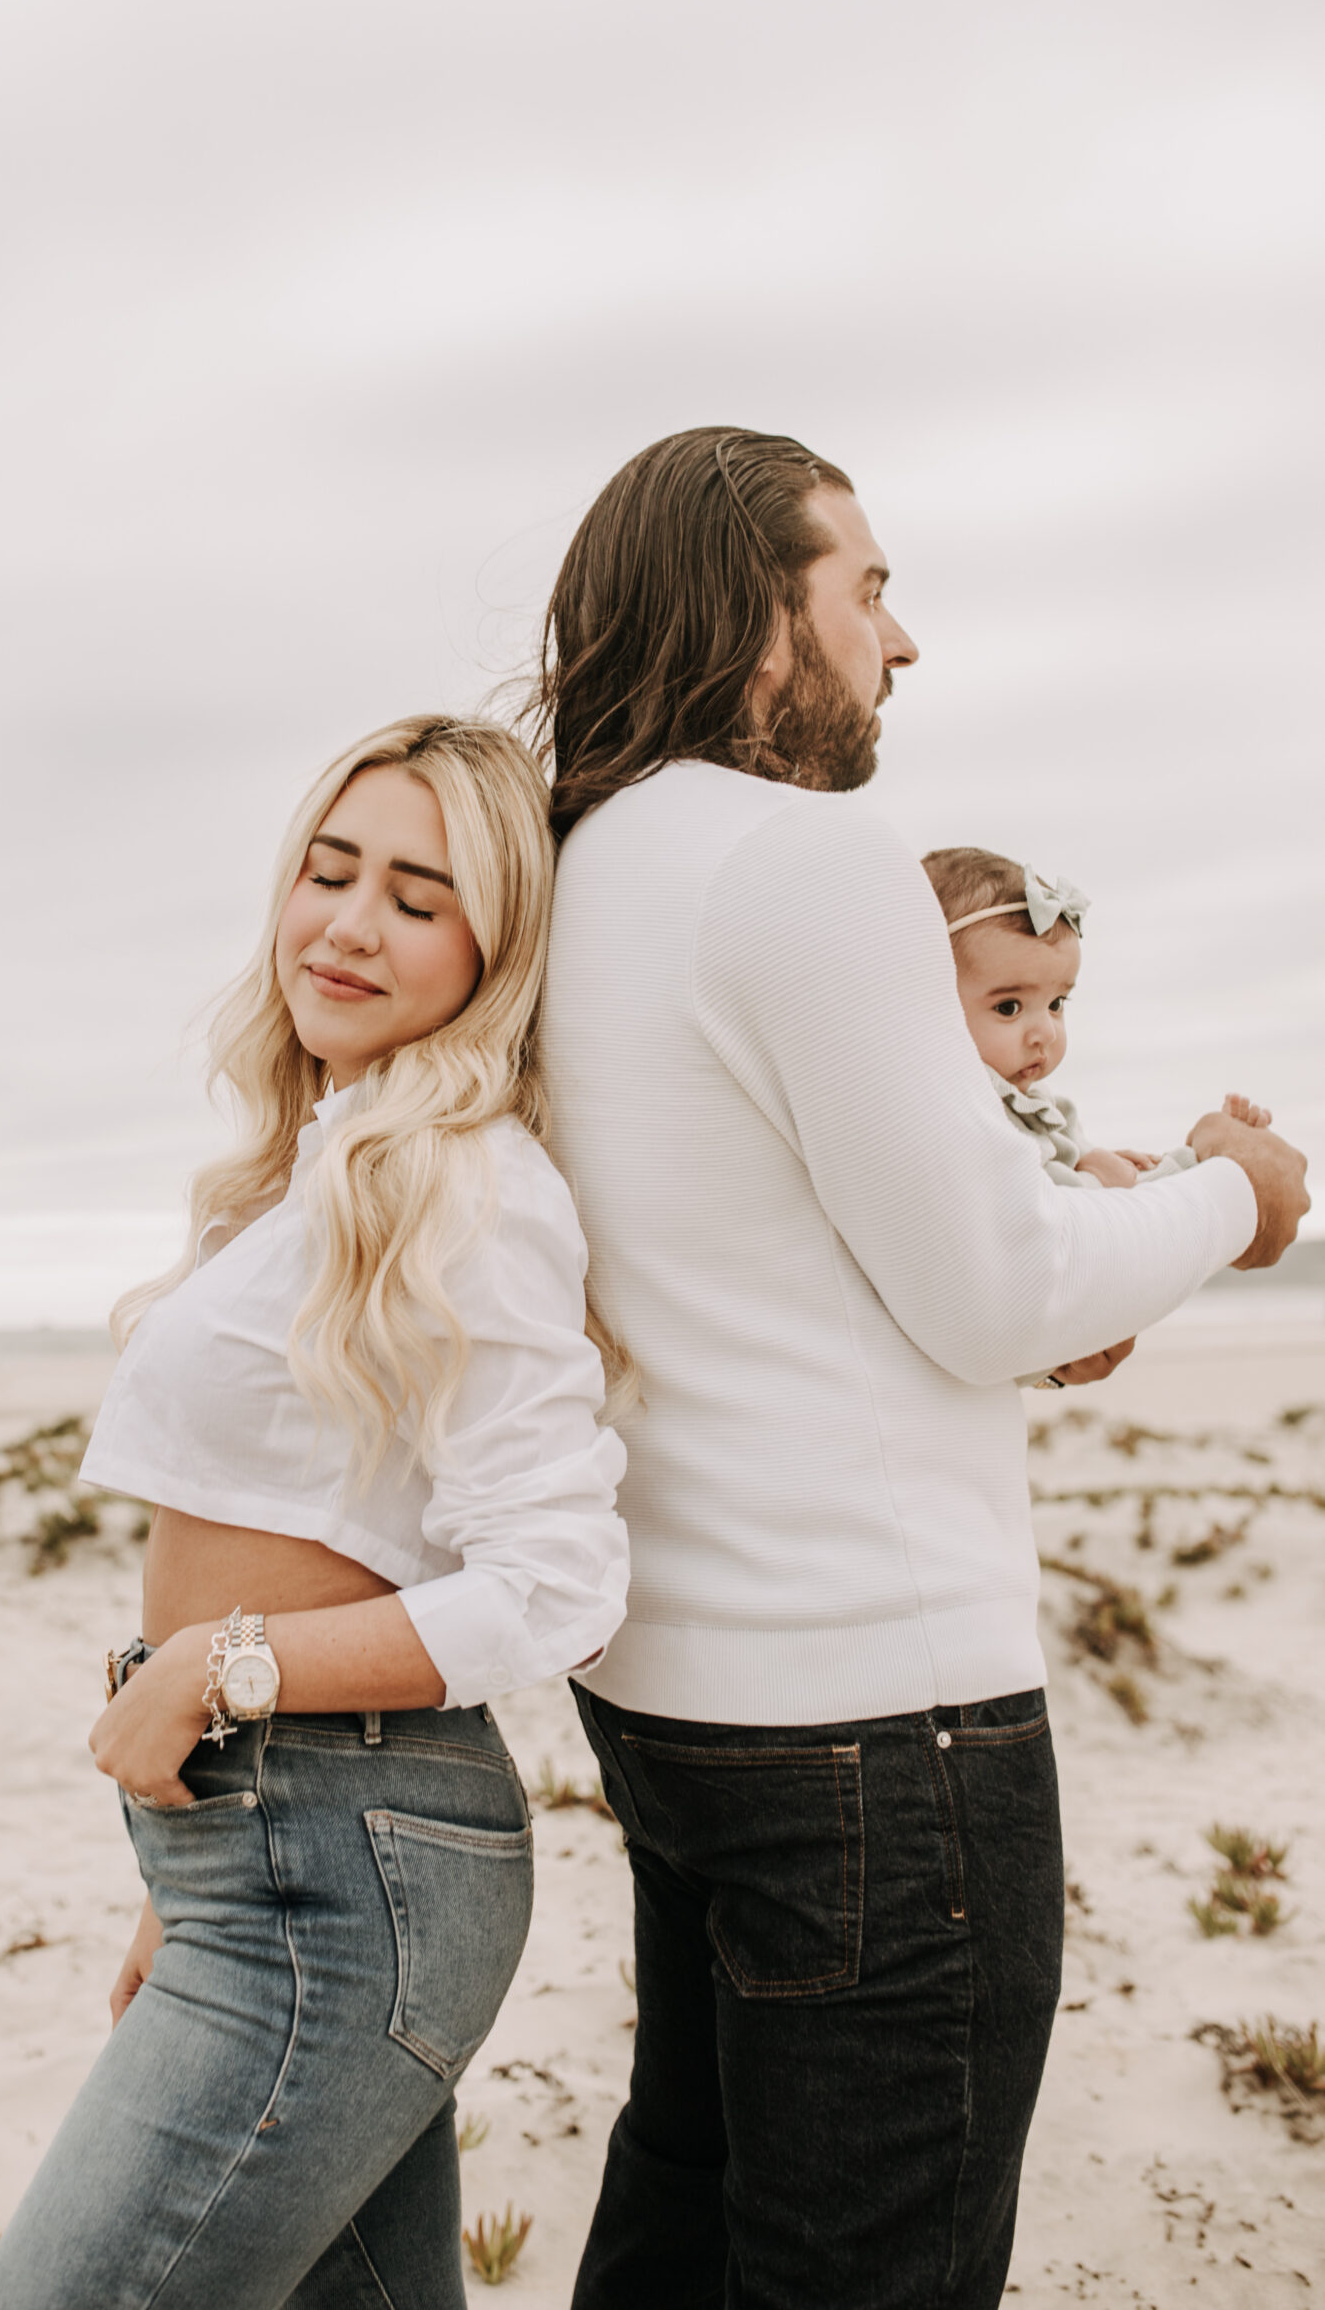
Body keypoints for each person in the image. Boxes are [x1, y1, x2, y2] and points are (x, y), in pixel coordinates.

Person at [530, 427, 1310, 2310]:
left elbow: (768, 1260)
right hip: (879, 1722)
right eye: (864, 588)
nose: (904, 639)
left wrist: (1026, 1264)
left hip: (674, 1688)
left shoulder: (583, 867)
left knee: (686, 2220)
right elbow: (993, 1291)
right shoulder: (801, 857)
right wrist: (1233, 1196)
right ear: (754, 620)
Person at [0, 713, 629, 2310]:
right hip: (264, 1853)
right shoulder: (329, 1166)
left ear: (495, 942)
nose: (345, 924)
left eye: (415, 895)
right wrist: (176, 1878)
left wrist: (218, 1672)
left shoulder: (467, 1180)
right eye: (327, 873)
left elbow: (553, 1583)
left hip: (341, 1871)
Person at [924, 844, 1272, 1193]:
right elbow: (1033, 1206)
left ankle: (1210, 1156)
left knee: (1159, 1177)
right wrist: (1096, 1180)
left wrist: (1095, 1160)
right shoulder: (967, 1110)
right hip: (1071, 1224)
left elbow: (1070, 1157)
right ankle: (1213, 1160)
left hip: (1091, 1204)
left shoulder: (1039, 1103)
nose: (1045, 1032)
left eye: (1056, 1003)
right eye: (1008, 1007)